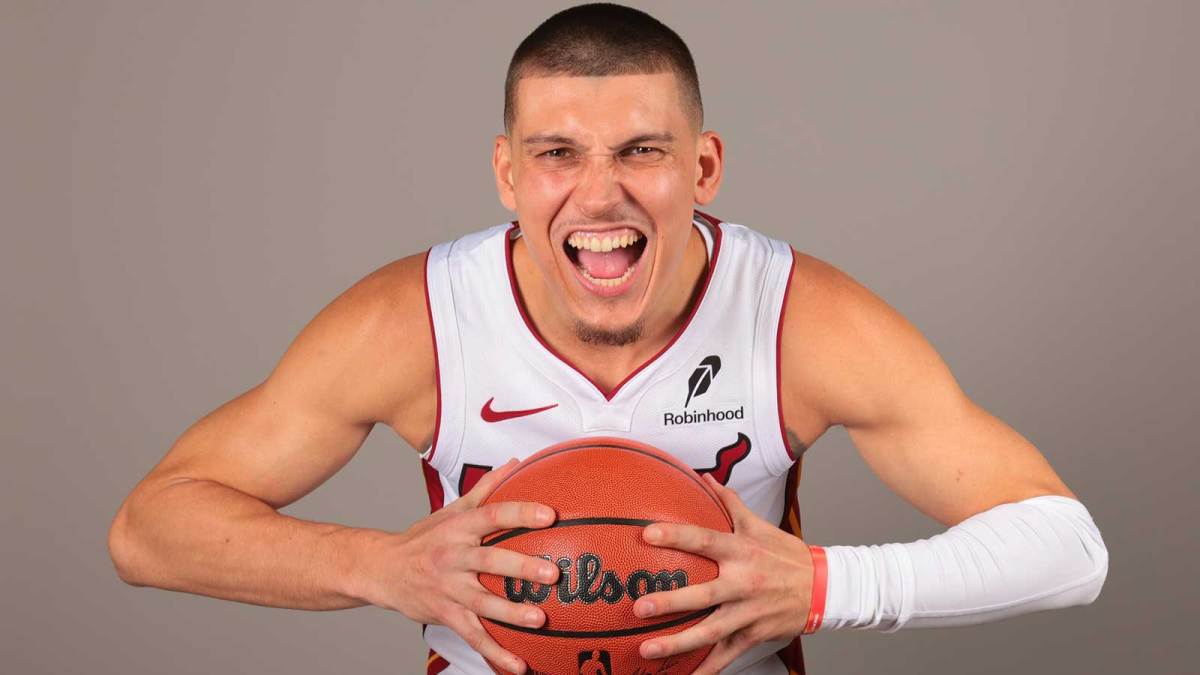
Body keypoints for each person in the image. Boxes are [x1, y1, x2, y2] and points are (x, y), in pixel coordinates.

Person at [107, 4, 1109, 674]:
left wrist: (819, 584)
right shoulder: (414, 321)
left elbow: (1067, 548)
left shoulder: (799, 319)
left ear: (704, 165)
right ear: (508, 174)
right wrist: (379, 566)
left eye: (642, 150)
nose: (600, 192)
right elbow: (149, 529)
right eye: (557, 155)